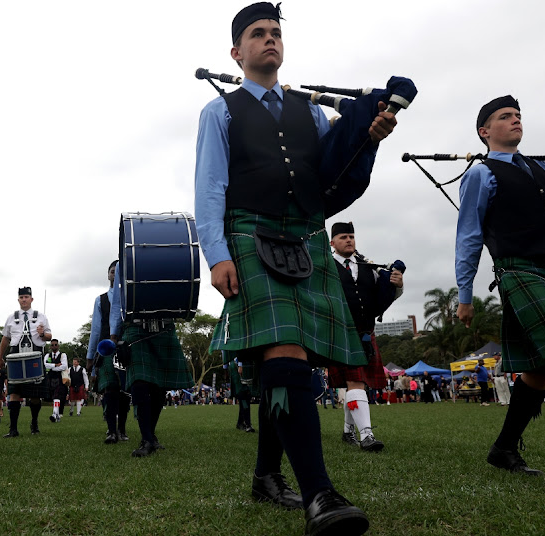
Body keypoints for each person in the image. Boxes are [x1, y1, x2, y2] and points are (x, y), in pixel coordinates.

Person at [194, 4, 399, 534]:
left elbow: (337, 170)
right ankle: (320, 496)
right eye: (257, 35)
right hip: (249, 235)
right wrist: (216, 253)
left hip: (306, 236)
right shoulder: (220, 112)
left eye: (276, 34)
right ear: (237, 53)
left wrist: (367, 137)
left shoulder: (311, 113)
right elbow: (210, 186)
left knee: (289, 366)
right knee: (284, 354)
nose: (269, 41)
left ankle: (266, 475)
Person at [456, 95, 545, 475]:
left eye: (518, 115)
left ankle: (503, 449)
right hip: (518, 272)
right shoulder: (480, 173)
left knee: (538, 369)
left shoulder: (542, 171)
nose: (516, 119)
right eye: (506, 116)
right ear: (485, 131)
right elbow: (468, 236)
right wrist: (465, 295)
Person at [327, 221, 403, 451]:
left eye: (351, 236)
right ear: (332, 243)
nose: (349, 240)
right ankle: (366, 435)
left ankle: (348, 431)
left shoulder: (368, 266)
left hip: (367, 332)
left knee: (357, 384)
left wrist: (398, 284)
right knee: (356, 382)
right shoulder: (326, 267)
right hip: (341, 332)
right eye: (343, 237)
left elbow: (384, 294)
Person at [109, 260, 194, 457]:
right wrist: (114, 333)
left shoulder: (170, 253)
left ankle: (150, 435)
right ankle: (146, 438)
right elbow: (118, 299)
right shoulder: (125, 259)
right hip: (134, 326)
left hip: (164, 325)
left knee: (159, 387)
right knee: (139, 382)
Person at [0, 287, 52, 438]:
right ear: (18, 300)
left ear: (31, 299)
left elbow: (49, 336)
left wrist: (43, 334)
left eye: (27, 297)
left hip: (35, 356)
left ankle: (34, 424)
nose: (24, 299)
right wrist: (0, 357)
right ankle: (13, 429)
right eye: (21, 297)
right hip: (15, 356)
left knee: (35, 395)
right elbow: (5, 338)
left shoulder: (40, 316)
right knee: (13, 392)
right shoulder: (11, 317)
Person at [86, 260, 131, 443]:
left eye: (117, 271)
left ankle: (122, 429)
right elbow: (95, 330)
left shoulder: (130, 296)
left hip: (127, 347)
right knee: (111, 390)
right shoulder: (101, 300)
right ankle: (111, 430)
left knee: (125, 392)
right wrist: (90, 356)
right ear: (108, 275)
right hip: (106, 350)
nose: (114, 274)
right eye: (112, 271)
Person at [228, 356, 256, 433]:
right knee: (244, 395)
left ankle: (240, 423)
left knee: (244, 397)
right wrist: (240, 364)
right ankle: (248, 424)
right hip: (239, 363)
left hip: (239, 363)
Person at [44, 339, 68, 423]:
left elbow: (64, 366)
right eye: (52, 345)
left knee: (57, 396)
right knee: (53, 396)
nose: (54, 346)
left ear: (58, 346)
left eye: (55, 345)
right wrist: (56, 365)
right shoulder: (47, 355)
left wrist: (52, 367)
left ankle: (54, 414)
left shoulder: (63, 355)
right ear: (50, 346)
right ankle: (57, 415)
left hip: (59, 377)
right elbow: (45, 365)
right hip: (50, 378)